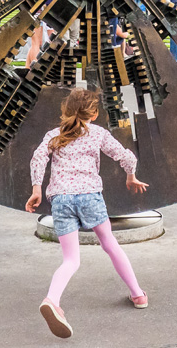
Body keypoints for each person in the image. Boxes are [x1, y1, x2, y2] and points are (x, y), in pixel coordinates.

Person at [26, 89, 149, 338]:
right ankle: (137, 294)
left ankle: (52, 300)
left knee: (71, 260)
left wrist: (36, 188)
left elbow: (38, 158)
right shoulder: (98, 134)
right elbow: (124, 156)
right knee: (110, 244)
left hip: (60, 199)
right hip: (90, 197)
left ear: (66, 111)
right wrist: (131, 176)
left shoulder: (54, 135)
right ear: (93, 114)